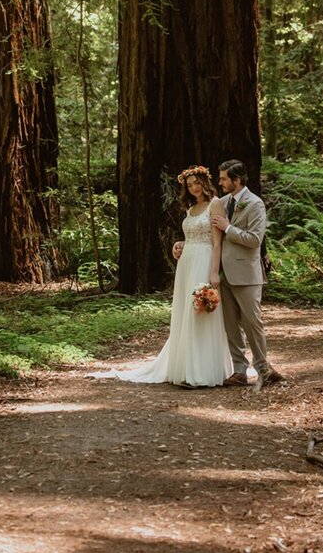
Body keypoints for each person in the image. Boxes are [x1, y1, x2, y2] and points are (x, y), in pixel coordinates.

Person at [91, 165, 231, 388]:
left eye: (197, 183)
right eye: (189, 185)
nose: (194, 188)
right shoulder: (192, 208)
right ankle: (185, 366)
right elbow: (194, 236)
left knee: (201, 310)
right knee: (187, 312)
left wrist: (214, 272)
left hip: (204, 261)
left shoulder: (216, 204)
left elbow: (216, 242)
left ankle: (201, 372)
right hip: (187, 263)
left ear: (205, 181)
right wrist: (181, 244)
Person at [211, 159, 283, 388]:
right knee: (230, 324)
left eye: (223, 178)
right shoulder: (221, 203)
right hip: (223, 274)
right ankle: (239, 370)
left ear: (237, 180)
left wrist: (228, 228)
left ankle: (263, 368)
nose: (219, 182)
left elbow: (254, 240)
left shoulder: (255, 204)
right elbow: (209, 237)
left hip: (246, 273)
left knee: (252, 322)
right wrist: (184, 244)